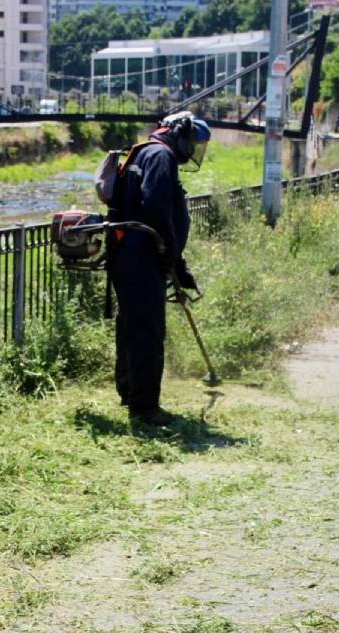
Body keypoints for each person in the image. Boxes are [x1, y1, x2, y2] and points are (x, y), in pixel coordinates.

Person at [108, 111, 210, 427]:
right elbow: (154, 207)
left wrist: (177, 266)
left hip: (129, 254)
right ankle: (145, 407)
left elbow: (150, 210)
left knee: (131, 328)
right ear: (179, 133)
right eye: (193, 142)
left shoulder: (146, 153)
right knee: (148, 333)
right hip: (142, 257)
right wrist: (168, 252)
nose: (193, 150)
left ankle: (130, 392)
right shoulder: (162, 157)